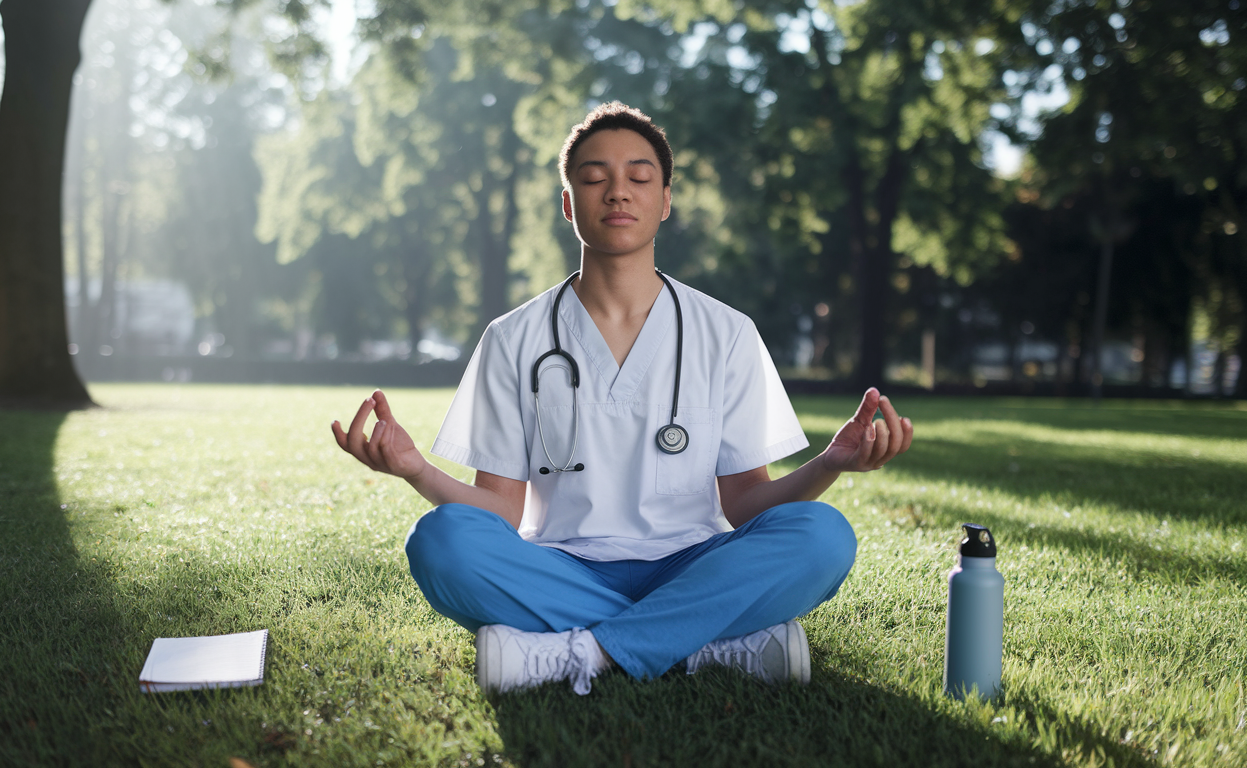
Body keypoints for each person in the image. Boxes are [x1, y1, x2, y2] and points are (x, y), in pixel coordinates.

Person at [332, 101, 913, 696]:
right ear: (568, 203)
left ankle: (578, 652)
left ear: (665, 201)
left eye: (639, 178)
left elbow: (744, 505)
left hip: (694, 563)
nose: (617, 194)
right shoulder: (513, 338)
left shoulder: (727, 331)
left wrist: (831, 464)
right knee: (440, 541)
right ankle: (704, 646)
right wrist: (415, 471)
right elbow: (501, 513)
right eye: (593, 179)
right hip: (560, 565)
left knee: (823, 535)